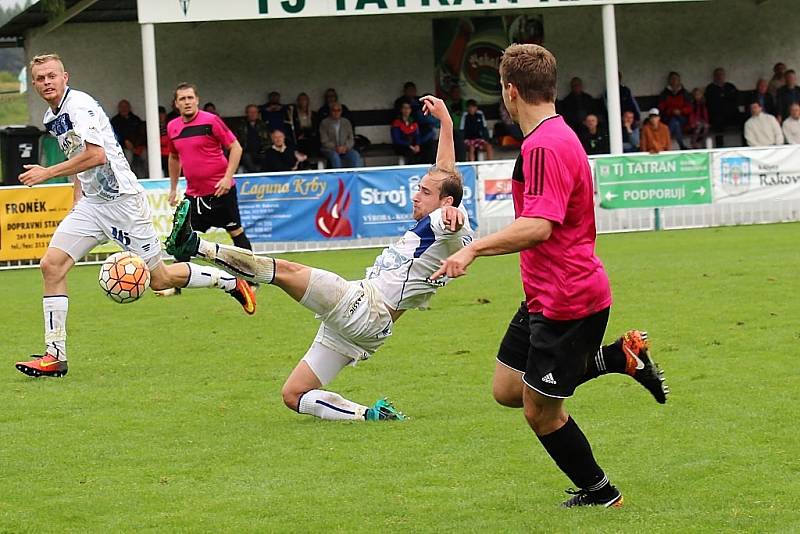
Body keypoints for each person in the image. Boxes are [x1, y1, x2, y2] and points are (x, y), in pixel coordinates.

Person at [431, 43, 668, 509]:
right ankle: (620, 358)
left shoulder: (543, 145)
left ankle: (602, 494)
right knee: (507, 389)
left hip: (568, 302)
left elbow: (540, 225)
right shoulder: (558, 134)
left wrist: (474, 249)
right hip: (546, 295)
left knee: (540, 412)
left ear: (510, 91)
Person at [164, 95, 474, 422]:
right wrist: (447, 123)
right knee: (293, 395)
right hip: (368, 327)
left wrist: (453, 216)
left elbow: (451, 219)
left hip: (366, 308)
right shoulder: (447, 209)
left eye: (425, 192)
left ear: (446, 201)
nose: (416, 194)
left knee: (284, 270)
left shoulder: (447, 221)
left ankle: (195, 246)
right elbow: (445, 173)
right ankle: (370, 415)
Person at [14, 54, 256, 378]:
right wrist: (76, 200)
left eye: (51, 76)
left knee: (160, 279)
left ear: (65, 77)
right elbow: (78, 158)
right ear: (34, 84)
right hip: (92, 205)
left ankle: (227, 280)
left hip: (124, 203)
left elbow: (96, 155)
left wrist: (47, 173)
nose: (46, 82)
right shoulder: (51, 115)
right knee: (51, 265)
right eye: (40, 78)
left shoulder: (79, 106)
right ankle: (54, 354)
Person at [167, 82, 256, 293]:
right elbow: (173, 157)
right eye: (182, 99)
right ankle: (174, 285)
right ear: (176, 104)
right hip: (194, 195)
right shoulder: (173, 127)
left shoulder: (211, 121)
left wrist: (227, 178)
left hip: (221, 192)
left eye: (190, 98)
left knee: (236, 231)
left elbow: (235, 147)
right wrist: (173, 188)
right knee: (182, 236)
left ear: (197, 100)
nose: (187, 102)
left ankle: (252, 281)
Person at [319, 103, 363, 168]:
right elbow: (324, 141)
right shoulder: (324, 123)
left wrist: (345, 147)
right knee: (335, 156)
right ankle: (339, 177)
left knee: (355, 155)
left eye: (338, 110)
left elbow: (351, 139)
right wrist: (336, 148)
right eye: (334, 110)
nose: (336, 112)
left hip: (345, 149)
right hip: (329, 149)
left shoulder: (346, 122)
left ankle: (356, 176)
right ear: (330, 111)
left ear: (341, 111)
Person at [110, 99, 147, 177]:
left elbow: (141, 133)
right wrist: (125, 142)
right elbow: (115, 136)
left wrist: (139, 146)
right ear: (119, 108)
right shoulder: (115, 121)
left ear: (129, 108)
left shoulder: (135, 119)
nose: (124, 109)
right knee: (128, 157)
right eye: (122, 107)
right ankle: (128, 178)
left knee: (145, 155)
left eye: (126, 107)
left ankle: (146, 177)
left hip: (138, 146)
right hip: (124, 148)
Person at [705, 68, 740, 142]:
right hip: (718, 115)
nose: (720, 76)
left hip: (731, 114)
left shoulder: (730, 86)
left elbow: (736, 100)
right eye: (717, 75)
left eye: (722, 74)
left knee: (745, 119)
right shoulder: (710, 88)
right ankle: (719, 146)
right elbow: (710, 104)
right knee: (718, 121)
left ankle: (746, 145)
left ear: (724, 76)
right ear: (714, 76)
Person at [659, 72, 692, 150]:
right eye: (672, 79)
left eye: (676, 79)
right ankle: (681, 146)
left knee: (676, 122)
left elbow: (690, 108)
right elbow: (661, 107)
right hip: (668, 118)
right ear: (669, 81)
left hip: (682, 118)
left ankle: (664, 144)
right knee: (675, 123)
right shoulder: (664, 93)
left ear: (679, 81)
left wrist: (681, 111)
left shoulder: (684, 93)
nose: (674, 81)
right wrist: (671, 111)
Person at [236, 104, 271, 173]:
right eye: (250, 112)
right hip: (246, 152)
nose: (253, 114)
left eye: (255, 112)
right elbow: (236, 141)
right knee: (246, 158)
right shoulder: (241, 125)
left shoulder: (263, 125)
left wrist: (265, 149)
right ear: (246, 113)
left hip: (261, 152)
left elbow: (269, 140)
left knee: (268, 157)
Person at [293, 92, 319, 156]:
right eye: (300, 100)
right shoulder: (293, 114)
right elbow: (293, 128)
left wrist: (307, 133)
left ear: (308, 101)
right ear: (298, 102)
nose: (303, 102)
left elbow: (315, 128)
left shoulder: (314, 114)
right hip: (299, 138)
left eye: (304, 99)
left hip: (311, 137)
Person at [158, 105, 170, 176]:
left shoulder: (169, 125)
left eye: (162, 114)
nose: (160, 116)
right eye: (158, 114)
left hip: (169, 153)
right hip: (158, 153)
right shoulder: (152, 126)